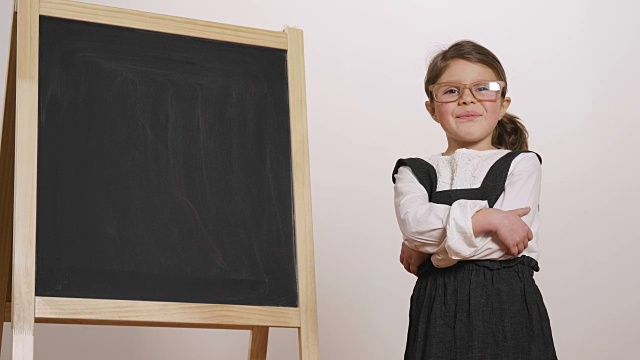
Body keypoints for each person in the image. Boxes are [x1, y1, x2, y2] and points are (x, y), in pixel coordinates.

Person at [392, 40, 557, 359]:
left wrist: (434, 252)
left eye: (483, 88)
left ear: (503, 103)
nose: (467, 98)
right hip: (437, 309)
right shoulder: (413, 171)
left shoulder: (522, 164)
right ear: (432, 107)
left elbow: (506, 245)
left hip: (508, 309)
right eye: (451, 91)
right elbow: (414, 226)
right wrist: (488, 219)